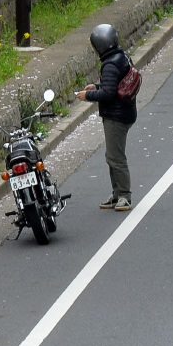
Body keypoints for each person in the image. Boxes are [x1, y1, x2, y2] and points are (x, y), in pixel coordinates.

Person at [74, 23, 136, 211]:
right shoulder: (121, 56)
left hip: (116, 116)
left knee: (116, 157)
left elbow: (108, 94)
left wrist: (88, 96)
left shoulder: (109, 64)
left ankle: (124, 195)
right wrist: (97, 86)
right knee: (112, 156)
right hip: (124, 111)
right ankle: (116, 194)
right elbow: (114, 85)